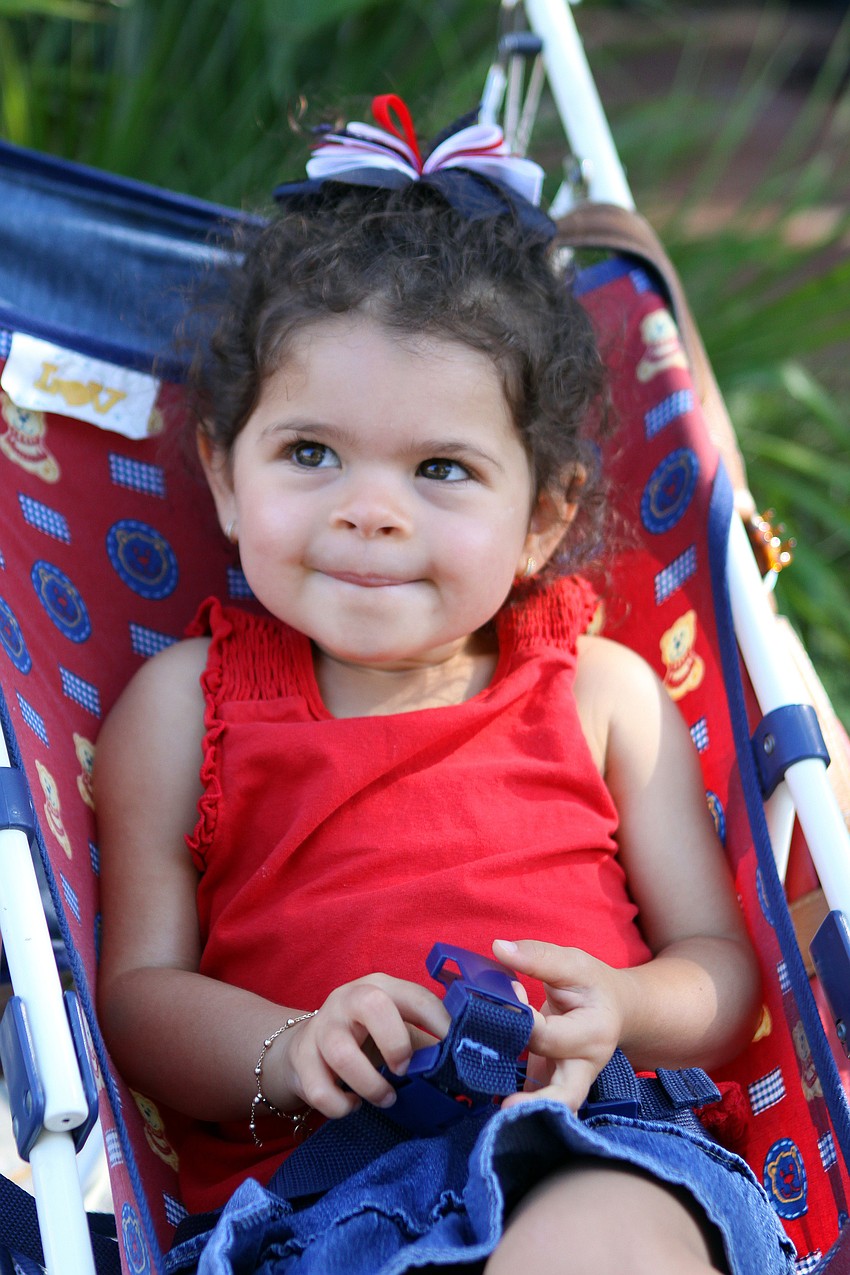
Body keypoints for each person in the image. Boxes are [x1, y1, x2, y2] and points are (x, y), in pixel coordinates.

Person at [93, 100, 796, 1275]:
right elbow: (139, 998)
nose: (371, 509)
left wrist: (624, 1008)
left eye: (441, 469)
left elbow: (722, 977)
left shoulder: (602, 697)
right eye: (309, 452)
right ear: (223, 473)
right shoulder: (183, 707)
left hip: (590, 1143)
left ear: (546, 516)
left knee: (608, 1241)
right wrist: (293, 1043)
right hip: (322, 1196)